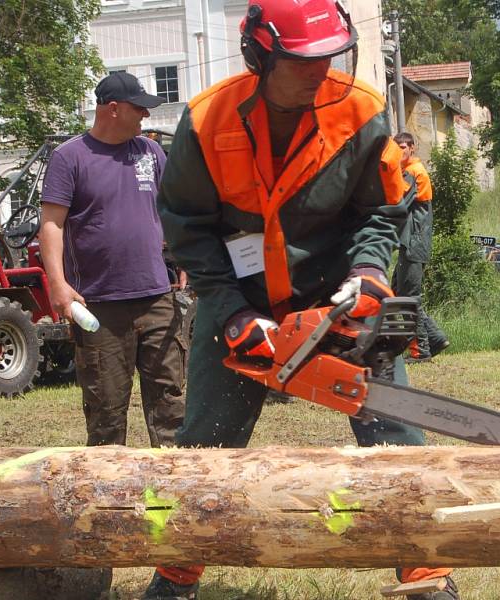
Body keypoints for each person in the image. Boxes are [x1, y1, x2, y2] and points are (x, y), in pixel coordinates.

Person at [146, 1, 457, 599]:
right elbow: (187, 227)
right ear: (260, 56)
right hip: (240, 296)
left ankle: (426, 572)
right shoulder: (208, 120)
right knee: (206, 442)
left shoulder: (360, 111)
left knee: (394, 433)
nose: (320, 71)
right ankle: (175, 574)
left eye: (328, 57)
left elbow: (383, 210)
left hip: (335, 293)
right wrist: (233, 313)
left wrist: (368, 274)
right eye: (303, 60)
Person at [39, 71, 187, 448]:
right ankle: (107, 505)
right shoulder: (69, 157)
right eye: (140, 108)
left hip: (157, 298)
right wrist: (57, 284)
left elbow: (172, 211)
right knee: (105, 414)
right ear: (113, 109)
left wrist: (185, 255)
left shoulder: (150, 152)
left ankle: (177, 494)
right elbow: (52, 224)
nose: (146, 116)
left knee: (171, 408)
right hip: (99, 306)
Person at [392, 132, 450, 363]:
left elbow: (397, 204)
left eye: (404, 146)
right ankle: (434, 339)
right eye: (396, 146)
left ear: (413, 148)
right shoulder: (409, 170)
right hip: (411, 243)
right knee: (399, 291)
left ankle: (420, 350)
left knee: (407, 298)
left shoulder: (413, 172)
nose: (400, 150)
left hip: (414, 243)